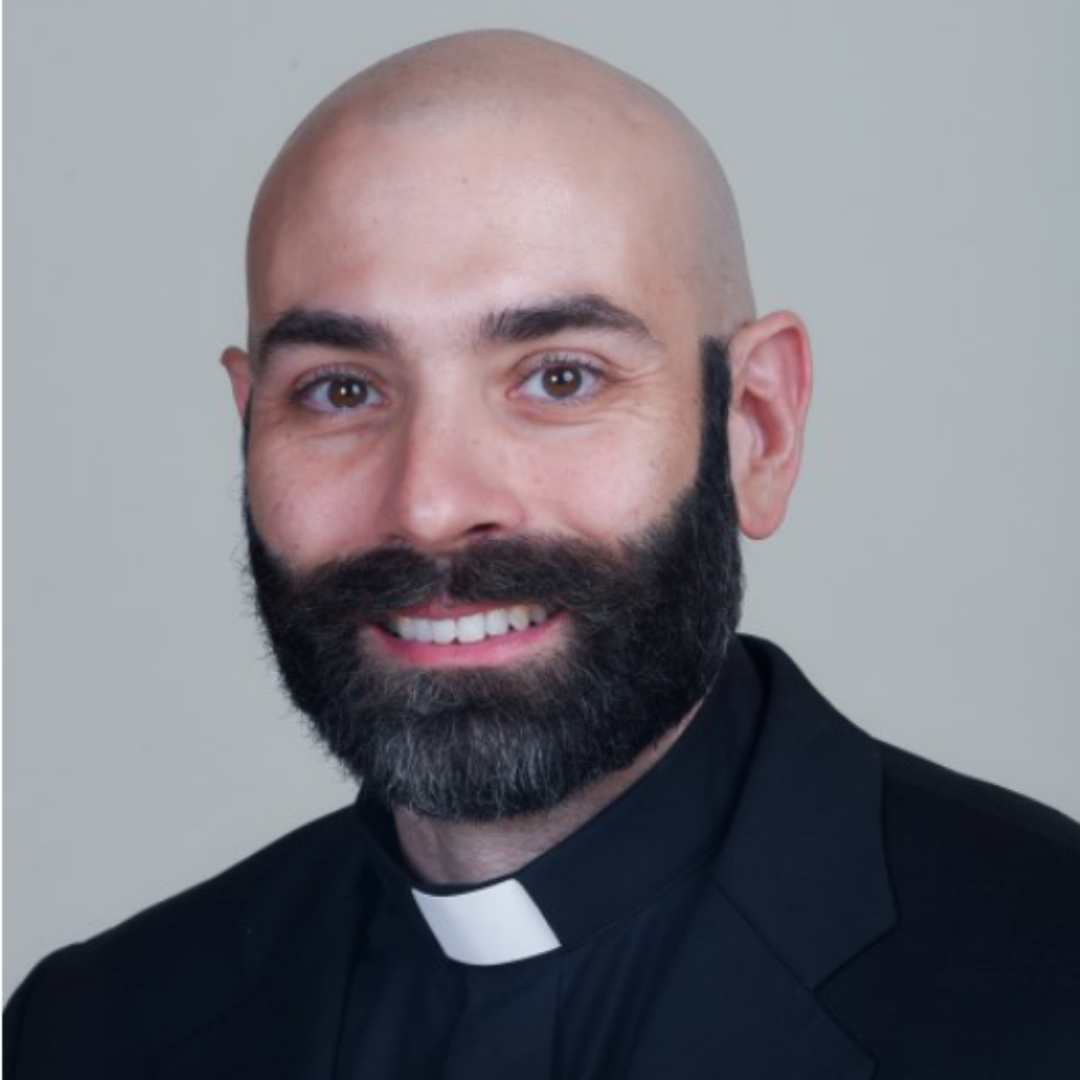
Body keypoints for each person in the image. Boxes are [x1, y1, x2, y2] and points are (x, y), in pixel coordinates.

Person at [6, 29, 1079, 1079]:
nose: (430, 506)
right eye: (341, 390)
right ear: (249, 428)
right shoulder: (92, 1035)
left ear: (756, 426)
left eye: (560, 378)